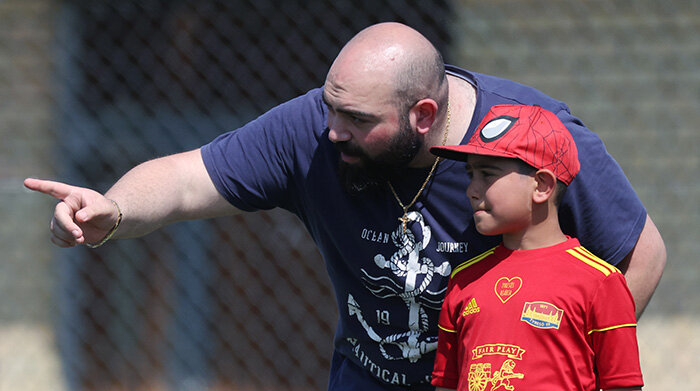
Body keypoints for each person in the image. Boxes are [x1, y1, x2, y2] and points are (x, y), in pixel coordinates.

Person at [24, 22, 663, 390]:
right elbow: (189, 179)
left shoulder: (531, 137)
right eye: (330, 108)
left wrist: (563, 366)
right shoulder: (316, 131)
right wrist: (111, 209)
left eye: (355, 119)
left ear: (423, 116)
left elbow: (642, 256)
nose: (332, 131)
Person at [429, 104, 643, 391]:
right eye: (470, 175)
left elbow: (623, 386)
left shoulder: (601, 282)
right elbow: (446, 383)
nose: (472, 189)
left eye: (488, 174)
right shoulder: (462, 280)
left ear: (541, 186)